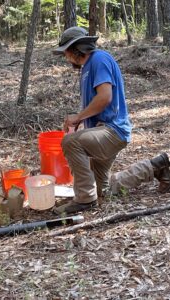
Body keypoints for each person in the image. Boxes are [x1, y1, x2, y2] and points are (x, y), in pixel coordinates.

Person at [51, 27, 170, 215]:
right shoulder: (86, 69)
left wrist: (78, 117)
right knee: (102, 190)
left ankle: (84, 200)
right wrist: (82, 125)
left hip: (112, 131)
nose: (66, 57)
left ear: (76, 49)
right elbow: (98, 105)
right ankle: (155, 166)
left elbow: (105, 97)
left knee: (70, 142)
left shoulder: (99, 59)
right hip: (103, 131)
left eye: (66, 52)